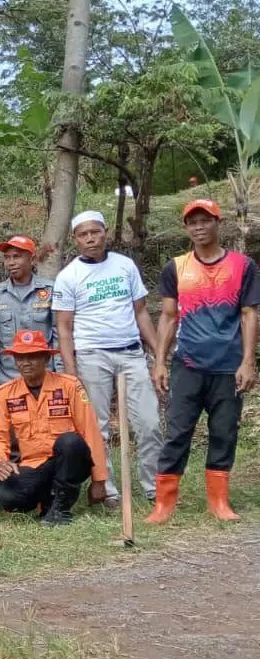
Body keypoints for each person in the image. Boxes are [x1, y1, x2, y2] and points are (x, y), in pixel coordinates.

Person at [148, 199, 260, 523]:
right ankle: (163, 504)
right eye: (192, 222)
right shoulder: (176, 267)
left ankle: (219, 501)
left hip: (228, 364)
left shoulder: (243, 266)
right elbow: (168, 317)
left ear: (217, 223)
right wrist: (159, 362)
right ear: (186, 227)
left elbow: (249, 314)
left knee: (224, 432)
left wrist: (248, 361)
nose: (199, 227)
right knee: (178, 432)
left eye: (205, 220)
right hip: (188, 363)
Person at [53, 211, 161, 504]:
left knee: (149, 422)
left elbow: (141, 313)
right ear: (75, 240)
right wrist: (72, 372)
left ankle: (154, 487)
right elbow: (64, 329)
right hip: (91, 355)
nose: (90, 238)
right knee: (96, 427)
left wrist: (159, 355)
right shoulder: (68, 277)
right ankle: (108, 489)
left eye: (95, 232)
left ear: (105, 233)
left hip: (130, 352)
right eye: (83, 234)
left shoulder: (125, 266)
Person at [0, 330, 109, 525]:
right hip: (35, 464)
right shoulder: (5, 393)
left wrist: (99, 480)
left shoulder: (69, 385)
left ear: (46, 358)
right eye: (20, 357)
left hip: (70, 460)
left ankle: (60, 509)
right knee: (8, 497)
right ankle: (47, 502)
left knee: (70, 442)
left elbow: (90, 431)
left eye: (32, 357)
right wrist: (1, 461)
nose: (25, 362)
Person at [0, 235, 58, 386]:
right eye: (7, 258)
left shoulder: (51, 291)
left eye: (17, 257)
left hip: (45, 376)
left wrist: (60, 372)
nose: (11, 263)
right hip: (7, 378)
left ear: (32, 260)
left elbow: (58, 334)